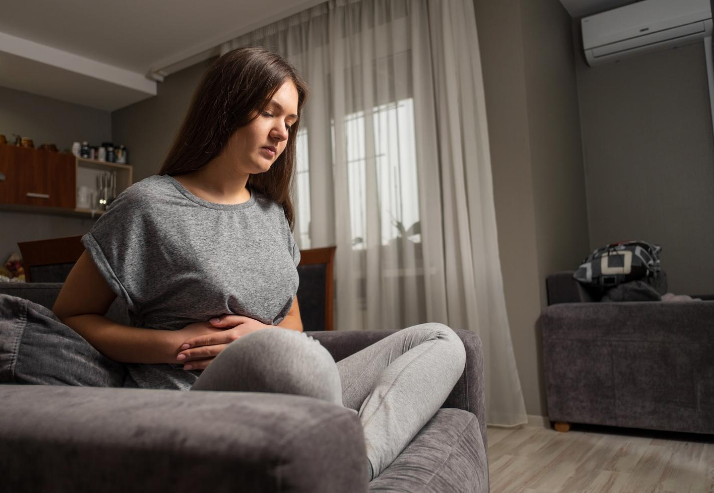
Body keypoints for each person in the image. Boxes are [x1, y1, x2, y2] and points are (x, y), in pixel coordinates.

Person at [49, 47, 466, 481]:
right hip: (197, 397)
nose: (282, 134)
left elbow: (293, 327)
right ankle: (333, 448)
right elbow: (71, 315)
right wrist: (178, 344)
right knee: (300, 361)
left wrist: (261, 338)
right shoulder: (147, 206)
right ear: (225, 108)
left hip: (289, 381)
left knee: (440, 340)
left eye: (290, 122)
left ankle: (353, 465)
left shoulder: (272, 214)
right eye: (269, 113)